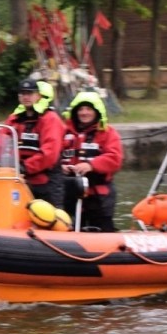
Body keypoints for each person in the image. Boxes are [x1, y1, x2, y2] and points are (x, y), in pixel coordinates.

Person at [0, 78, 65, 208]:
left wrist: (24, 167)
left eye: (30, 93)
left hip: (46, 182)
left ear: (38, 95)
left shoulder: (50, 118)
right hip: (19, 179)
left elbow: (49, 153)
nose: (26, 97)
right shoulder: (14, 119)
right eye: (23, 93)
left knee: (49, 219)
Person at [61, 91, 123, 232]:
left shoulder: (108, 133)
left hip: (99, 195)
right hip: (71, 194)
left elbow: (115, 158)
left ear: (96, 112)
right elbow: (54, 155)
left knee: (103, 228)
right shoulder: (65, 133)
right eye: (81, 109)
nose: (84, 113)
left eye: (88, 109)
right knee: (71, 226)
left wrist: (91, 165)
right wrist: (62, 167)